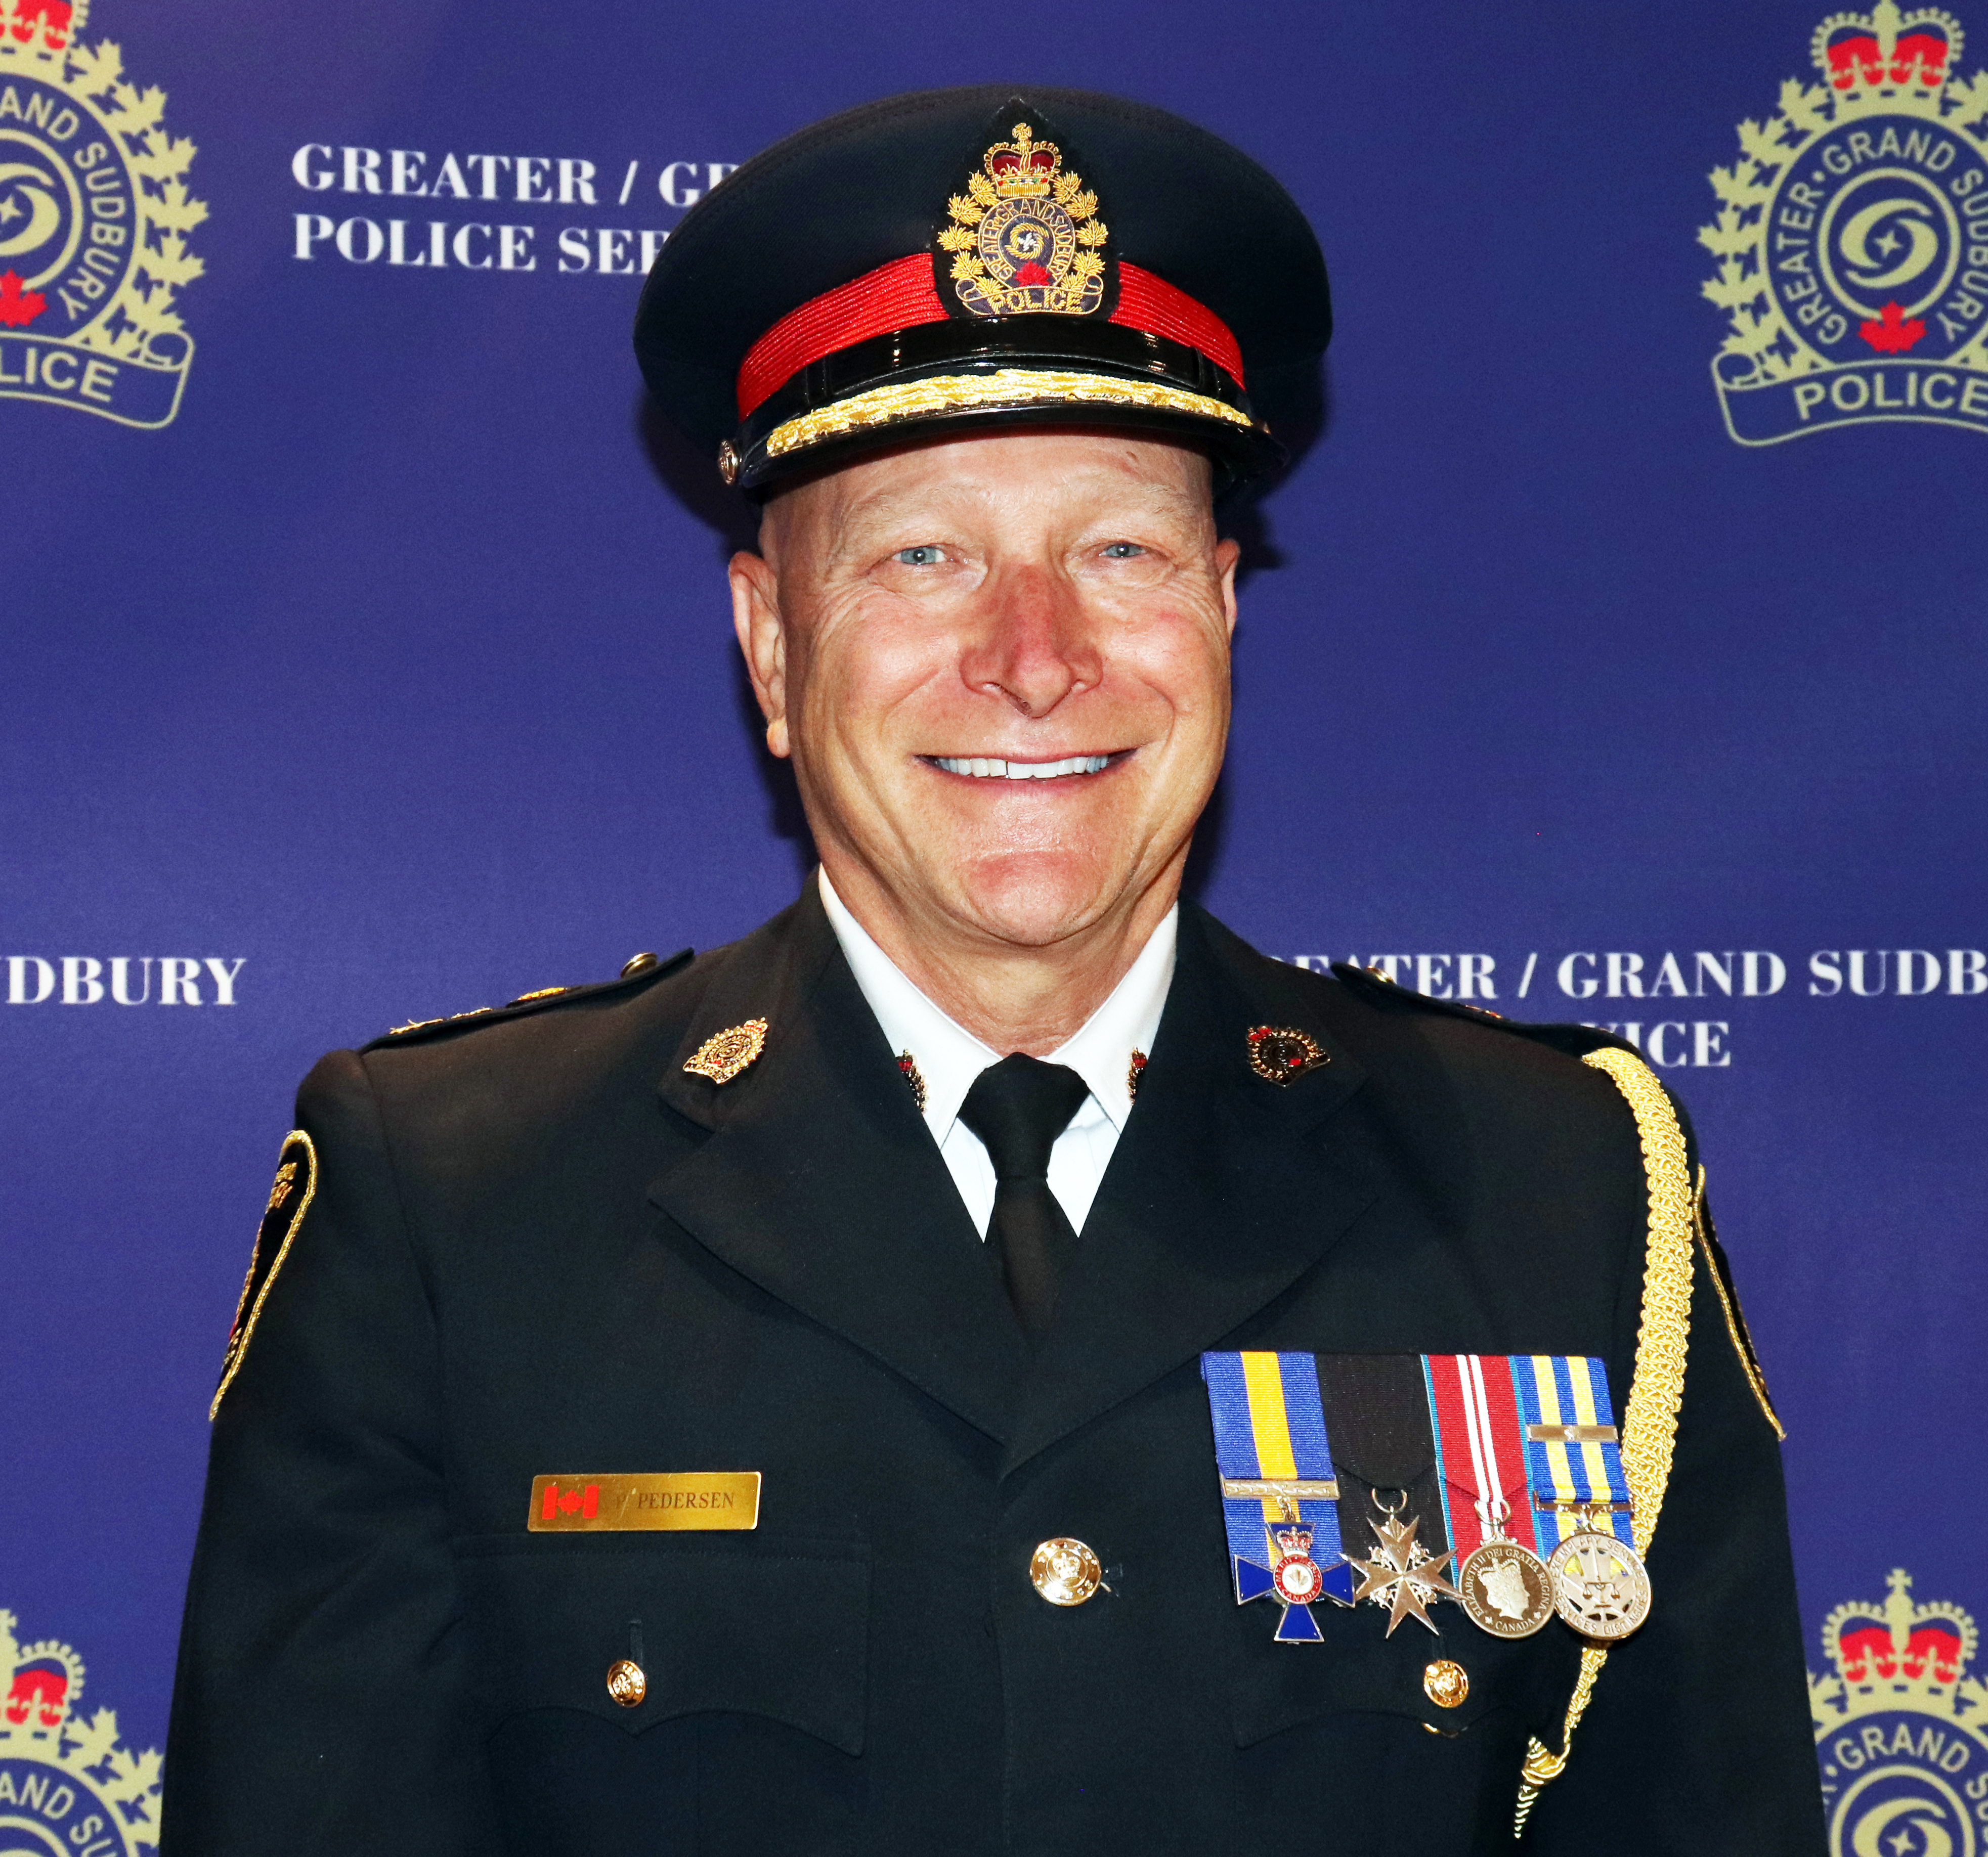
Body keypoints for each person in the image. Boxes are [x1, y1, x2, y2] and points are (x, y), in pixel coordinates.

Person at [162, 85, 1826, 1854]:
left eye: (1116, 549)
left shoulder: (1551, 1182)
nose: (1034, 658)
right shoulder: (458, 1198)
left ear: (1223, 612)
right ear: (772, 650)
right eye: (923, 557)